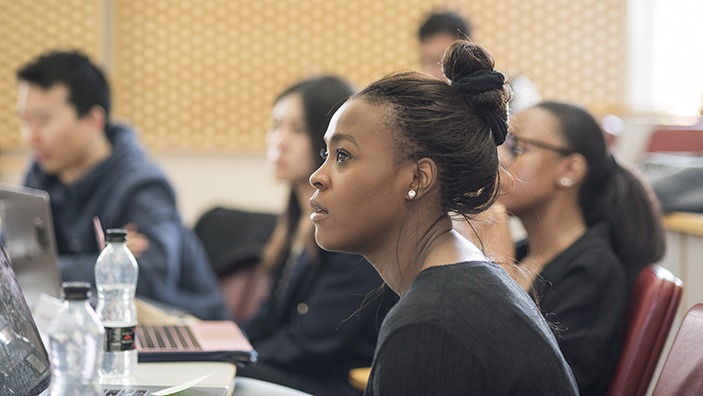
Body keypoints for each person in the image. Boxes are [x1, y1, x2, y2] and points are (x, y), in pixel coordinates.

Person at [308, 41, 578, 395]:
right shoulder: (457, 285)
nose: (318, 175)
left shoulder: (429, 325)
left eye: (343, 155)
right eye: (325, 153)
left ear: (418, 179)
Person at [16, 50, 229, 320]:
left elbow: (149, 279)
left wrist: (41, 270)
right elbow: (10, 266)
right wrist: (105, 263)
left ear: (93, 121)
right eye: (25, 120)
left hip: (185, 331)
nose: (30, 136)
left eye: (44, 120)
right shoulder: (40, 175)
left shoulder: (142, 185)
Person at [237, 76, 397, 396]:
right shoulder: (295, 223)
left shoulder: (352, 232)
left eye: (296, 130)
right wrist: (224, 348)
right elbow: (267, 321)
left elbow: (312, 343)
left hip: (334, 384)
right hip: (299, 374)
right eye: (276, 125)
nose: (278, 141)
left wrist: (235, 360)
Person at [496, 101, 666, 394]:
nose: (498, 160)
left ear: (570, 169)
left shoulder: (593, 269)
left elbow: (536, 384)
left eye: (516, 146)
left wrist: (496, 268)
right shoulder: (525, 253)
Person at [418, 10, 541, 113]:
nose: (441, 72)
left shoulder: (516, 89)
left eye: (447, 61)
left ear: (469, 50)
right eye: (432, 62)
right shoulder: (422, 99)